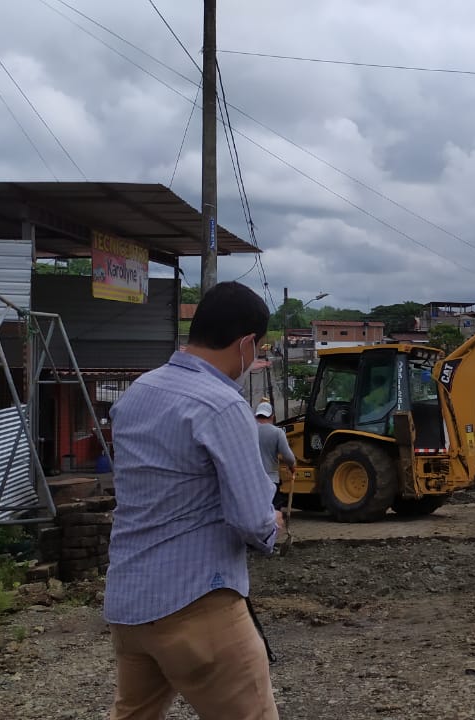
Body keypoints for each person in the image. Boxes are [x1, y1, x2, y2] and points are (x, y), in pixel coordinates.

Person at [105, 280, 284, 719]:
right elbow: (252, 520)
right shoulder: (222, 405)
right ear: (246, 344)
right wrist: (273, 527)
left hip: (129, 604)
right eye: (257, 348)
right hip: (198, 605)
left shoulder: (138, 392)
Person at [254, 401, 296, 505]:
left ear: (256, 416)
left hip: (252, 481)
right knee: (272, 512)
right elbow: (288, 457)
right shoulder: (277, 433)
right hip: (270, 481)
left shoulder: (248, 431)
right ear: (272, 416)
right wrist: (292, 466)